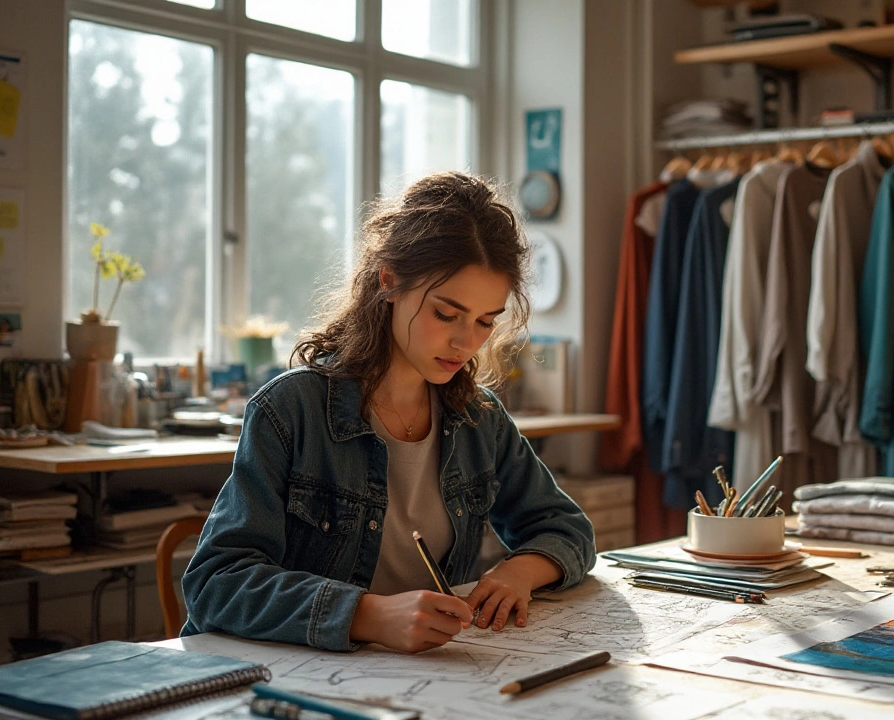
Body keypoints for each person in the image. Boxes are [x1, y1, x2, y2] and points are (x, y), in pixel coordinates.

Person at [182, 172, 596, 654]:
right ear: (390, 282)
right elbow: (216, 583)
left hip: (424, 680)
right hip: (293, 676)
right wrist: (366, 614)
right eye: (446, 314)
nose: (466, 343)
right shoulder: (290, 410)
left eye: (485, 321)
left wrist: (518, 571)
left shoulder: (479, 419)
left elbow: (569, 529)